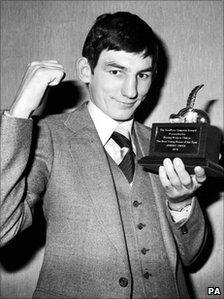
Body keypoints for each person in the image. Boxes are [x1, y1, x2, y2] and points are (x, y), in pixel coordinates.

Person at [1, 11, 207, 299]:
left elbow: (192, 257)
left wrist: (182, 201)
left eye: (143, 75)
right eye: (116, 71)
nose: (131, 90)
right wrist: (19, 112)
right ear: (86, 70)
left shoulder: (163, 142)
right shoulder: (48, 135)